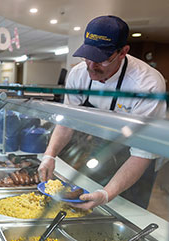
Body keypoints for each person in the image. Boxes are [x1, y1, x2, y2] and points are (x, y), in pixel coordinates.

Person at [38, 15, 167, 210]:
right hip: (100, 149)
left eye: (102, 60)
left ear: (123, 52)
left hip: (138, 158)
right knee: (89, 201)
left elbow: (142, 152)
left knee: (128, 211)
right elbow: (67, 122)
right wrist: (50, 155)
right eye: (88, 57)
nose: (91, 66)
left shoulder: (147, 84)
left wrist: (108, 193)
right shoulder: (79, 74)